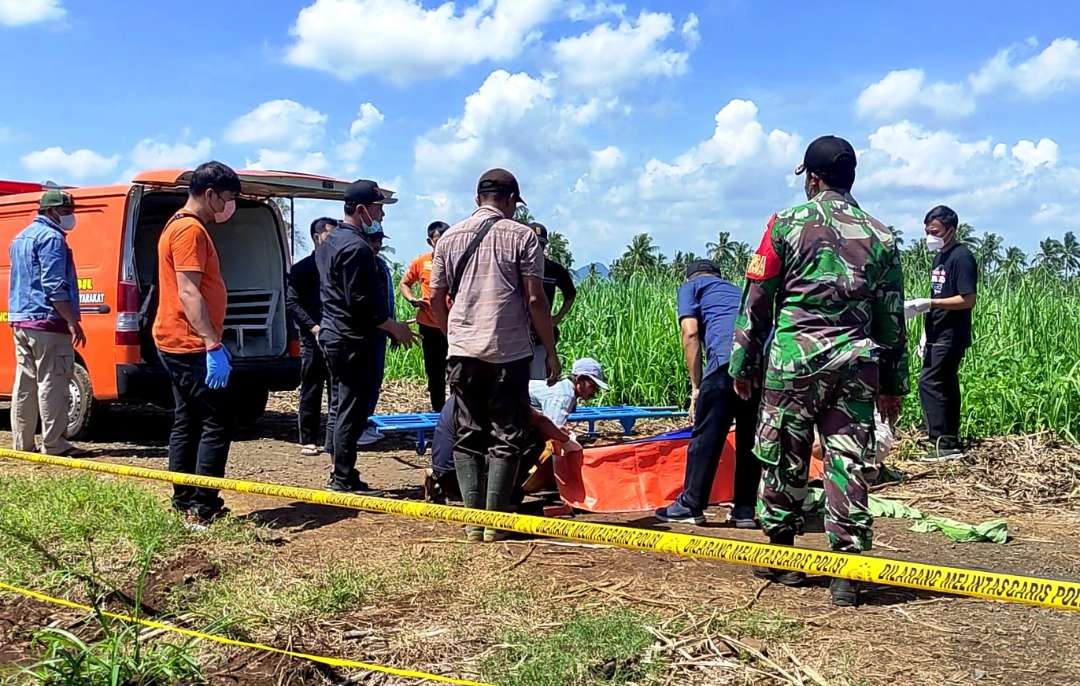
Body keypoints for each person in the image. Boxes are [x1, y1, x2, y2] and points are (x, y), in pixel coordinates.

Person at [729, 135, 908, 607]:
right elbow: (892, 318)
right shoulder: (883, 234)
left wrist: (742, 362)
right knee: (847, 460)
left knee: (783, 453)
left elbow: (758, 300)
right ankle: (846, 572)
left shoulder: (784, 224)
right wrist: (894, 384)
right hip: (856, 364)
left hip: (793, 364)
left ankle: (783, 555)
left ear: (812, 177)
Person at [430, 168, 559, 543]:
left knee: (468, 432)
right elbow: (535, 299)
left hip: (463, 351)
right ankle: (495, 523)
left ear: (477, 199)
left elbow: (435, 298)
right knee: (508, 433)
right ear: (511, 201)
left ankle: (472, 524)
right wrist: (550, 351)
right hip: (509, 352)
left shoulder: (449, 238)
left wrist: (452, 332)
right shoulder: (522, 237)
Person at [152, 161, 242, 528]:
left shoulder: (180, 226)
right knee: (216, 421)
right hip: (188, 342)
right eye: (227, 198)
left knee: (187, 420)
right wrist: (211, 344)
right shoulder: (189, 231)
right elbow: (189, 290)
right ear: (209, 194)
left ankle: (184, 500)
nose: (228, 206)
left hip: (178, 338)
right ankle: (202, 507)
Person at [317, 179, 417, 493]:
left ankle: (341, 469)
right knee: (352, 407)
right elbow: (360, 304)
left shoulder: (331, 241)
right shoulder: (356, 248)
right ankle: (342, 476)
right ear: (362, 210)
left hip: (336, 334)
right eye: (378, 209)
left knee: (340, 404)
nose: (382, 216)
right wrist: (394, 327)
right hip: (351, 340)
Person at [654, 260, 761, 529]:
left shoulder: (692, 287)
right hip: (759, 366)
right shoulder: (738, 290)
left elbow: (690, 333)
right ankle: (745, 510)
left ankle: (690, 505)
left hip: (725, 364)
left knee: (707, 436)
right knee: (750, 438)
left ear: (690, 276)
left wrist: (696, 387)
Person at [425, 358, 607, 505]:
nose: (595, 392)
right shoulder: (501, 391)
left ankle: (447, 484)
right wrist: (566, 441)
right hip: (461, 478)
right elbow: (546, 426)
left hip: (443, 469)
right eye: (593, 386)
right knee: (532, 441)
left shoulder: (469, 390)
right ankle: (501, 495)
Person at [8, 189, 88, 457]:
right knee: (53, 381)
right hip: (47, 321)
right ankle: (54, 444)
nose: (70, 217)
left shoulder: (20, 237)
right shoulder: (52, 239)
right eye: (66, 212)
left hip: (21, 320)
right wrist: (72, 321)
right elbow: (54, 286)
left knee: (25, 383)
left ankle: (23, 443)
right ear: (52, 212)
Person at [906, 205, 977, 461]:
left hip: (951, 333)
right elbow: (939, 294)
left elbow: (968, 299)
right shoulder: (939, 258)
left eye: (935, 231)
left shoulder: (961, 257)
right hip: (936, 332)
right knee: (945, 383)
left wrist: (930, 303)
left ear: (951, 230)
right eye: (927, 231)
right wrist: (925, 333)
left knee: (931, 382)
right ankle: (949, 440)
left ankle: (942, 443)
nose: (930, 237)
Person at [287, 217, 338, 457]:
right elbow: (292, 302)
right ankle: (308, 438)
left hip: (337, 335)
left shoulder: (339, 266)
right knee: (312, 387)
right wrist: (313, 327)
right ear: (317, 237)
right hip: (312, 336)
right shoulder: (302, 269)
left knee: (337, 389)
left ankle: (334, 439)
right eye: (330, 235)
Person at [401, 221, 450, 411]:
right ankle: (439, 411)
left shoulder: (457, 262)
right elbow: (405, 283)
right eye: (439, 240)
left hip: (454, 326)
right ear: (430, 241)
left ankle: (457, 412)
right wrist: (412, 299)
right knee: (435, 372)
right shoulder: (421, 262)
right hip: (429, 326)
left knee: (458, 371)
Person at [526, 222, 577, 380]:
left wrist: (557, 318)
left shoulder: (554, 269)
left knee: (537, 381)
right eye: (534, 243)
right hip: (518, 334)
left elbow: (570, 294)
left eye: (541, 244)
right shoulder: (516, 267)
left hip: (541, 337)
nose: (537, 247)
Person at [358, 228, 395, 446]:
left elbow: (389, 299)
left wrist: (393, 328)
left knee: (374, 380)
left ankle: (365, 421)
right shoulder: (360, 265)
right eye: (373, 240)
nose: (377, 244)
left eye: (379, 240)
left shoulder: (381, 265)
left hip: (381, 332)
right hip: (363, 334)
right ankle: (358, 426)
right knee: (361, 382)